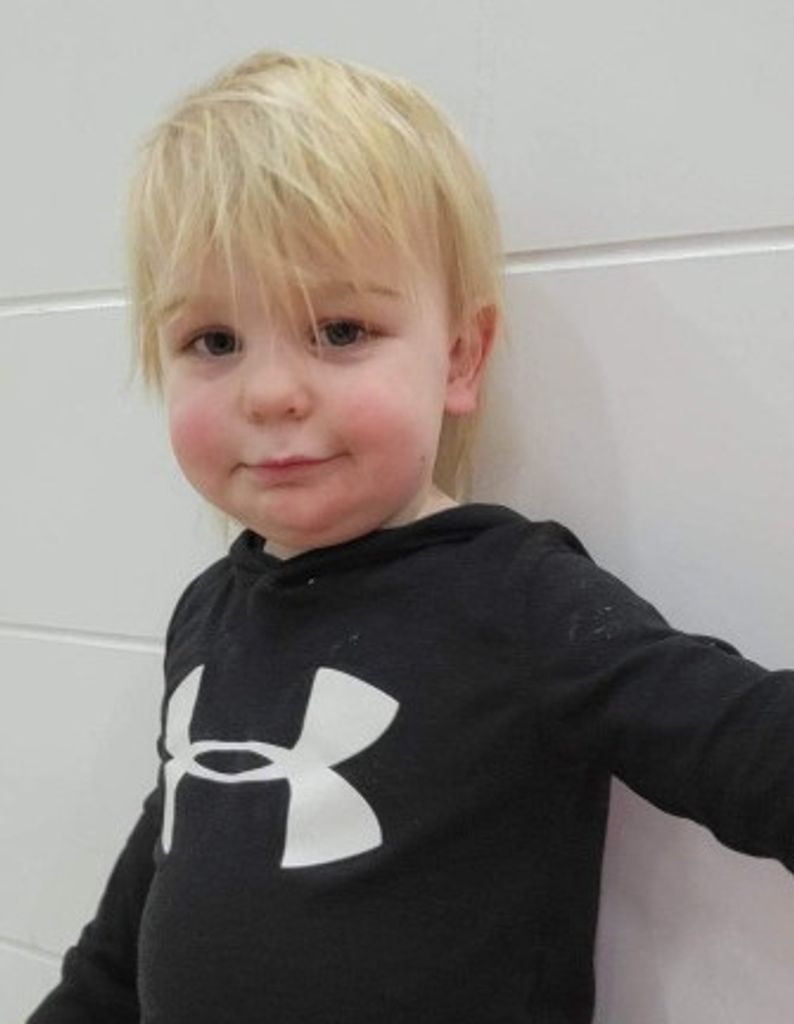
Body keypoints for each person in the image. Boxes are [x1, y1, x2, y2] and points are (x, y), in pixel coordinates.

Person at [28, 49, 793, 1024]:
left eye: (339, 329)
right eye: (213, 341)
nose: (271, 392)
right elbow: (141, 905)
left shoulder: (513, 599)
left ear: (460, 359)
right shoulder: (209, 611)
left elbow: (751, 750)